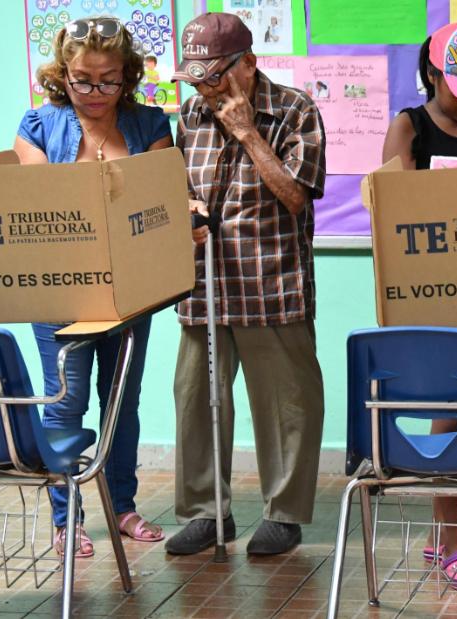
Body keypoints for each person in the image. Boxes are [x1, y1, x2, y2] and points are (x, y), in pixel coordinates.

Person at [165, 12, 326, 557]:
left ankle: (284, 515)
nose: (206, 89)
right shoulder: (187, 115)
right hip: (204, 285)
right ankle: (208, 513)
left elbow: (297, 195)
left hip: (272, 283)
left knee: (286, 406)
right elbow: (175, 187)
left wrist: (248, 133)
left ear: (248, 64)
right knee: (194, 399)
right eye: (198, 79)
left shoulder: (295, 109)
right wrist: (181, 208)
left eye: (215, 77)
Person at [13, 16, 173, 558]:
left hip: (131, 287)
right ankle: (67, 519)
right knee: (66, 399)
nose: (96, 92)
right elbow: (43, 201)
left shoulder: (151, 124)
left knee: (120, 401)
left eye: (108, 79)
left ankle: (121, 506)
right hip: (61, 288)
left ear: (127, 76)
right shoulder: (37, 124)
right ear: (62, 74)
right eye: (83, 79)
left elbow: (156, 202)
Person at [380, 22, 457, 591]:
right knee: (449, 404)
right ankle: (453, 541)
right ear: (432, 74)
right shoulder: (408, 127)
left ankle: (442, 533)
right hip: (428, 292)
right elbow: (390, 213)